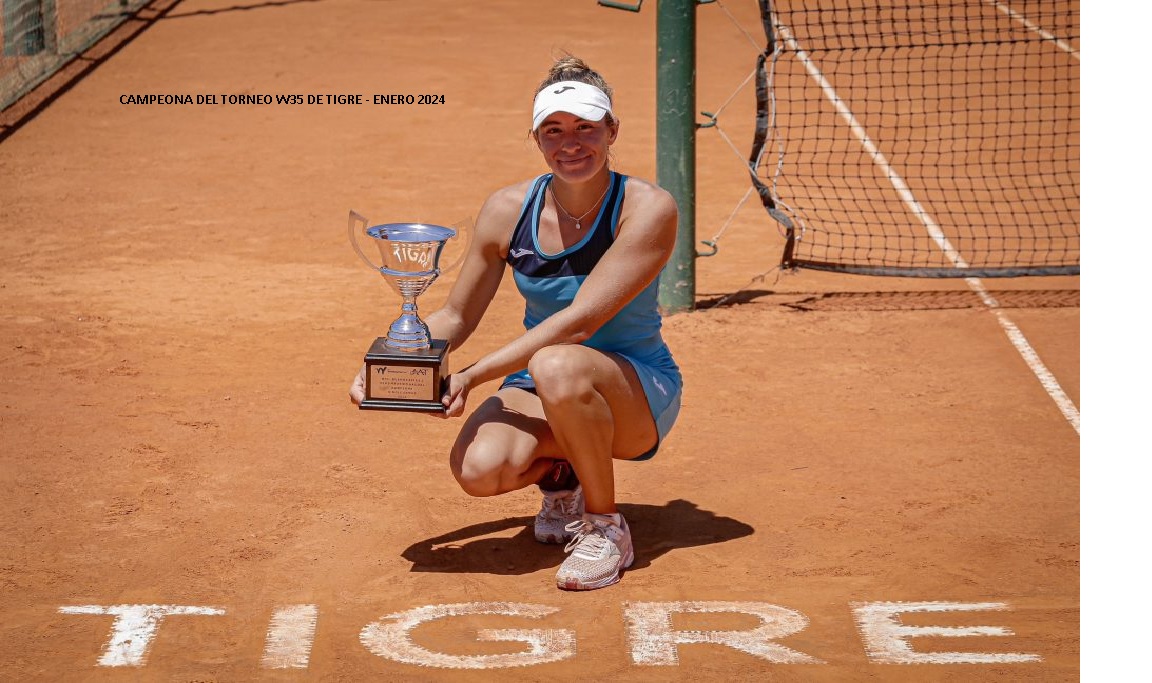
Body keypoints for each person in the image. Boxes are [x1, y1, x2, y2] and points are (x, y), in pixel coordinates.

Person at [350, 55, 682, 591]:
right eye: (554, 130)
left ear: (612, 130)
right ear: (535, 137)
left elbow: (581, 321)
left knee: (558, 362)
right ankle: (564, 477)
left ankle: (604, 526)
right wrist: (393, 362)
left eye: (585, 128)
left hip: (636, 390)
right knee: (480, 470)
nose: (570, 143)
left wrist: (470, 377)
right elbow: (457, 314)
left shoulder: (647, 207)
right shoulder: (508, 209)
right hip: (543, 380)